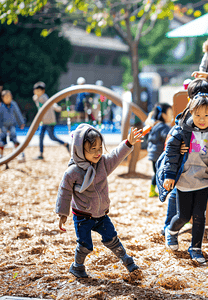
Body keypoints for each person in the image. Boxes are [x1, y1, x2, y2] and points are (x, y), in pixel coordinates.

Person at [55, 124, 143, 278]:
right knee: (85, 245)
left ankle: (127, 260)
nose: (97, 153)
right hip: (82, 216)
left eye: (99, 148)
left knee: (112, 237)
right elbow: (64, 191)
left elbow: (116, 155)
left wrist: (128, 143)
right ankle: (77, 266)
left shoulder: (103, 164)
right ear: (80, 150)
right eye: (92, 149)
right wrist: (63, 213)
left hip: (101, 214)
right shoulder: (73, 172)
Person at [158, 93, 208, 263]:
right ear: (190, 112)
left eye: (207, 115)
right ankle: (171, 230)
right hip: (184, 179)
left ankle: (196, 247)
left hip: (203, 179)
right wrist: (169, 175)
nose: (202, 119)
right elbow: (171, 153)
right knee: (183, 216)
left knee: (200, 215)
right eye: (197, 115)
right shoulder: (182, 130)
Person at [160, 79, 208, 241]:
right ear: (190, 99)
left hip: (197, 167)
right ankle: (169, 226)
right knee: (176, 194)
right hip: (180, 166)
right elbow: (171, 143)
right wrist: (181, 147)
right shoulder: (184, 119)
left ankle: (178, 226)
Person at [32, 81, 70, 160]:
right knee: (41, 136)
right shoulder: (37, 98)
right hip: (42, 121)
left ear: (43, 91)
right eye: (36, 91)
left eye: (39, 91)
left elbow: (51, 103)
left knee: (52, 137)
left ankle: (66, 144)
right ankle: (41, 154)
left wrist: (57, 107)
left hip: (49, 121)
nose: (37, 93)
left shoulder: (44, 97)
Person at [146, 103, 173, 198]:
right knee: (162, 172)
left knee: (157, 172)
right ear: (163, 115)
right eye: (170, 114)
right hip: (159, 154)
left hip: (152, 154)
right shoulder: (164, 127)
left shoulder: (154, 126)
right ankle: (162, 190)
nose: (172, 117)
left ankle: (152, 190)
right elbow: (168, 138)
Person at [0, 90, 25, 162]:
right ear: (2, 98)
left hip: (11, 125)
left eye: (9, 96)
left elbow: (18, 113)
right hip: (3, 125)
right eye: (6, 97)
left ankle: (19, 155)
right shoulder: (1, 106)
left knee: (14, 138)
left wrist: (21, 123)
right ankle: (1, 155)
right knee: (2, 140)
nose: (8, 98)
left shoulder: (13, 104)